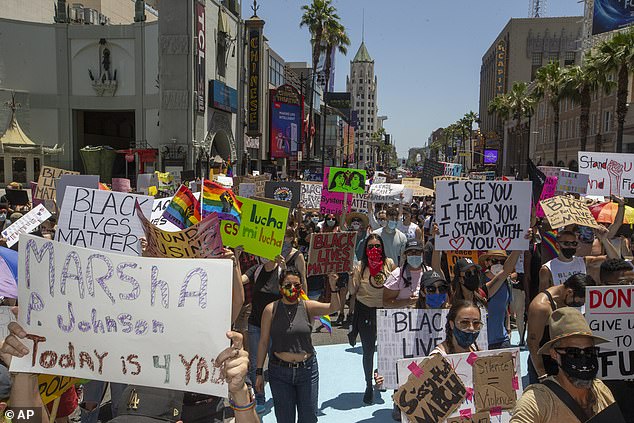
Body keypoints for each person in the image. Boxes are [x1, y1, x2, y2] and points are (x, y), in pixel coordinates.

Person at [255, 267, 340, 423]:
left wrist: (333, 286)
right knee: (284, 419)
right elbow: (263, 342)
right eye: (288, 285)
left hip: (307, 371)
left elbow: (333, 308)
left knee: (309, 418)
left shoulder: (308, 306)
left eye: (297, 285)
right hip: (279, 373)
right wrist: (259, 372)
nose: (292, 289)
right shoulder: (270, 310)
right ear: (280, 287)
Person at [511, 308, 619, 423]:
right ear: (554, 354)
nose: (583, 359)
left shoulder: (600, 390)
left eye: (589, 351)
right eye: (573, 352)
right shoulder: (538, 401)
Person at [349, 234, 396, 405]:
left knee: (385, 352)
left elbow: (396, 285)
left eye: (377, 246)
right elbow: (353, 291)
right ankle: (368, 385)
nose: (374, 250)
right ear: (365, 249)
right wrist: (349, 276)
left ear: (382, 248)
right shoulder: (360, 266)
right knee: (368, 351)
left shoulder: (389, 263)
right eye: (370, 247)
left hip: (385, 312)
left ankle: (381, 379)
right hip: (366, 312)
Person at [527, 273, 595, 385]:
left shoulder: (564, 299)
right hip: (544, 365)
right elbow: (532, 343)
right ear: (569, 292)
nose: (578, 305)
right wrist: (542, 375)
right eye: (579, 302)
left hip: (563, 365)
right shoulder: (541, 307)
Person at [242, 254, 286, 412]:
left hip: (275, 326)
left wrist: (286, 269)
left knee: (276, 362)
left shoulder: (282, 272)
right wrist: (237, 258)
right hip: (255, 325)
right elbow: (240, 280)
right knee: (255, 364)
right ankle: (260, 397)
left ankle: (281, 394)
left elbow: (294, 289)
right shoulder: (256, 270)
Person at [539, 228, 616, 292]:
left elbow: (614, 259)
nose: (571, 246)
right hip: (562, 309)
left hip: (582, 309)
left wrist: (604, 239)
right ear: (557, 245)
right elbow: (542, 296)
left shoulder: (584, 262)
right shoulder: (547, 269)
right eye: (566, 243)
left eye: (574, 243)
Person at [479, 250, 522, 349]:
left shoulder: (507, 282)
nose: (498, 264)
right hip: (483, 341)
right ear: (487, 262)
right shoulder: (479, 282)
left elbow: (504, 307)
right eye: (494, 260)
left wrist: (508, 328)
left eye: (502, 262)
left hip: (502, 340)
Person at [383, 240, 432, 308]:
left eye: (417, 252)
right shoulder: (397, 275)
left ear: (422, 254)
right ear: (405, 255)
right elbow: (386, 302)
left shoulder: (430, 272)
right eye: (410, 253)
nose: (414, 255)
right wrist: (408, 301)